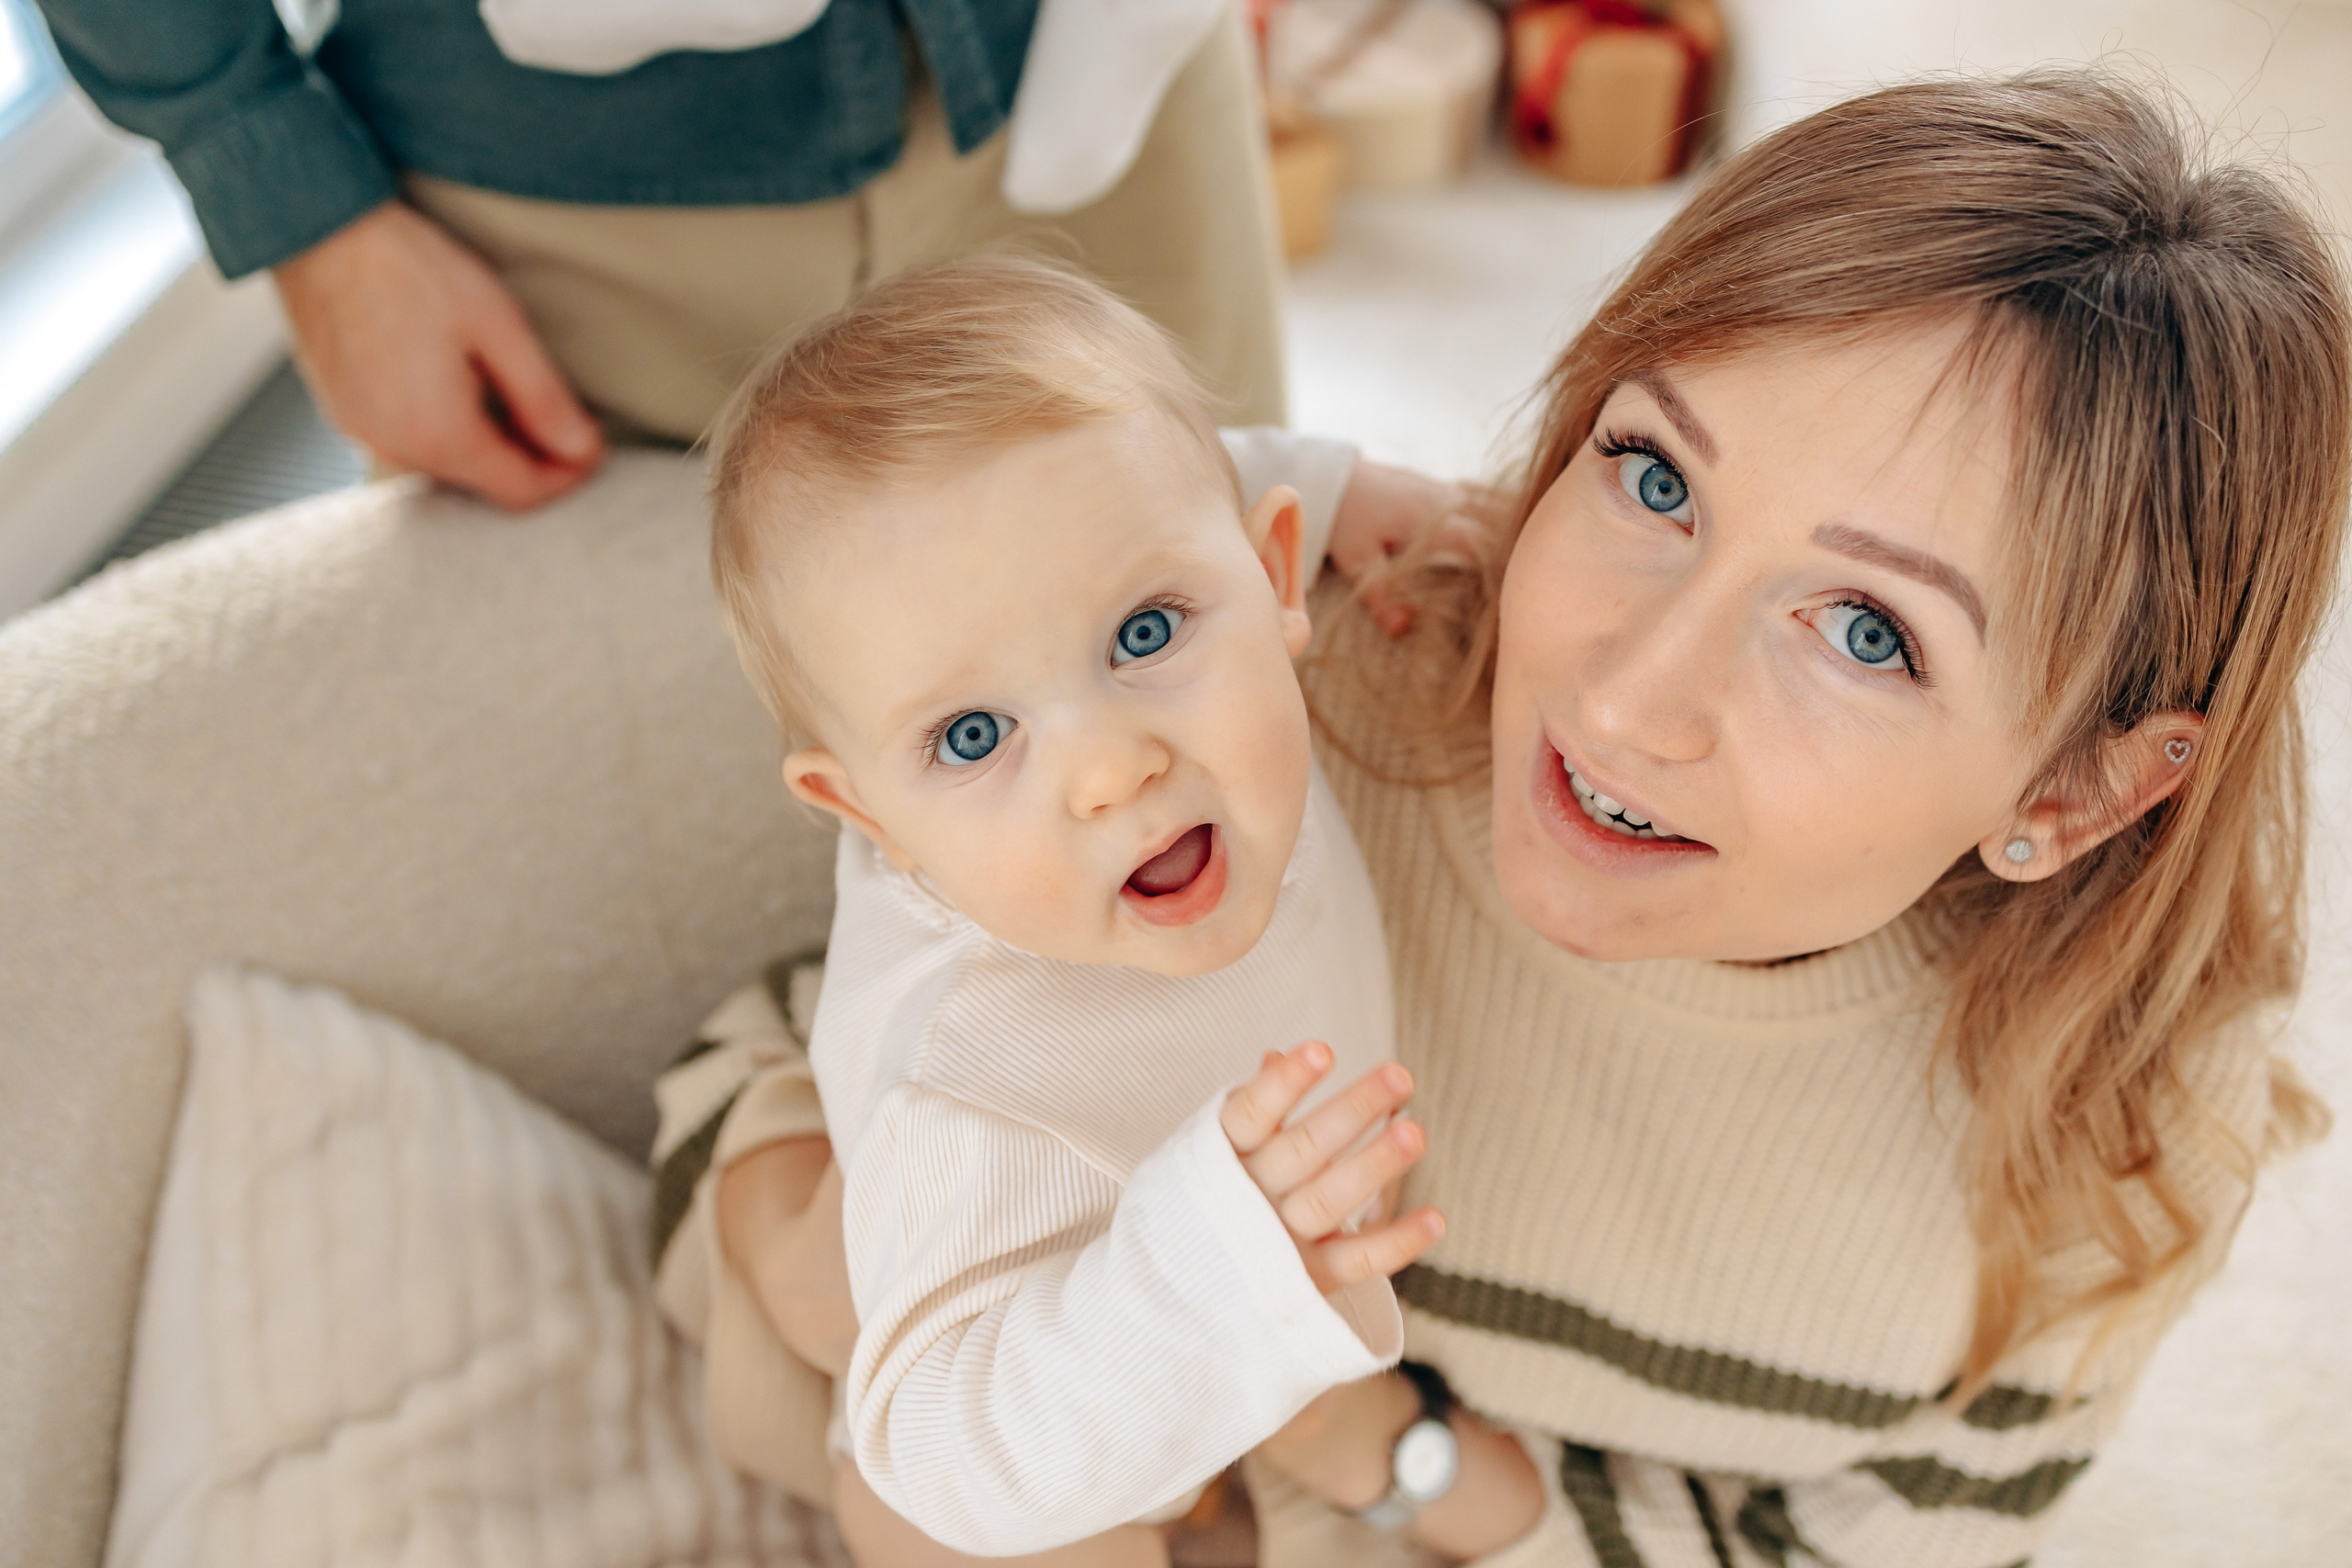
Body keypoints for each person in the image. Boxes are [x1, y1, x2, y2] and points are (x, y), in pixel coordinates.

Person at [690, 69, 2349, 1567]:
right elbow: (835, 1050)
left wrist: (1380, 1448)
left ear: (2075, 789)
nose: (1625, 698)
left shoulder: (2118, 1158)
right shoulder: (1275, 715)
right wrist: (814, 1276)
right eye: (1654, 476)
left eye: (1866, 632)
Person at [657, 256, 1454, 1568]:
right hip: (990, 1398)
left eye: (1145, 633)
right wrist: (1206, 1282)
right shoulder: (971, 1089)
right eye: (974, 736)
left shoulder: (1147, 570)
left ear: (1272, 572)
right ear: (867, 819)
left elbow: (1158, 484)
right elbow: (949, 1452)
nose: (1109, 768)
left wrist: (1339, 482)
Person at [32, 0, 1284, 510]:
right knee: (622, 859)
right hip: (547, 172)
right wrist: (288, 195)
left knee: (1238, 641)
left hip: (1106, 60)